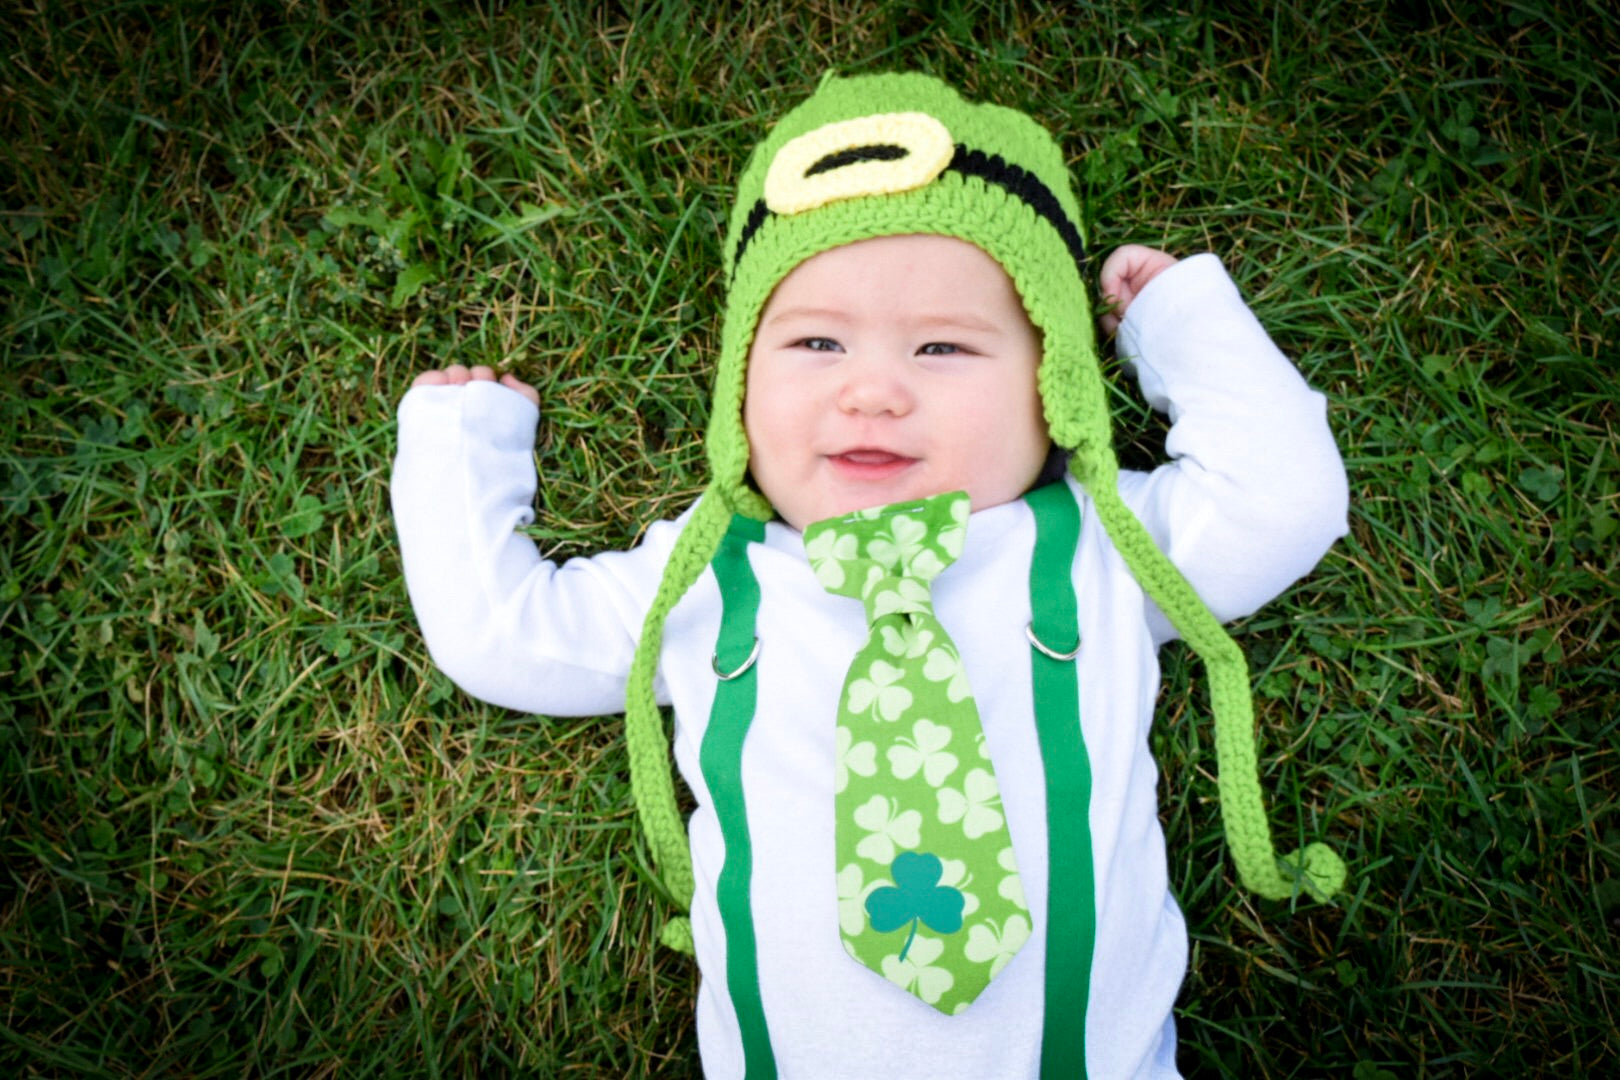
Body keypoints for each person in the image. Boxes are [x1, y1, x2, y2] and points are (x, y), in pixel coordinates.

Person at [391, 72, 1349, 1079]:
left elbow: (1283, 502)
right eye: (814, 342)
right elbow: (504, 636)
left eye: (942, 346)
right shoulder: (706, 584)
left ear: (1053, 384)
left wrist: (1177, 320)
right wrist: (462, 448)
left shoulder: (1107, 549)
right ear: (738, 388)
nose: (874, 391)